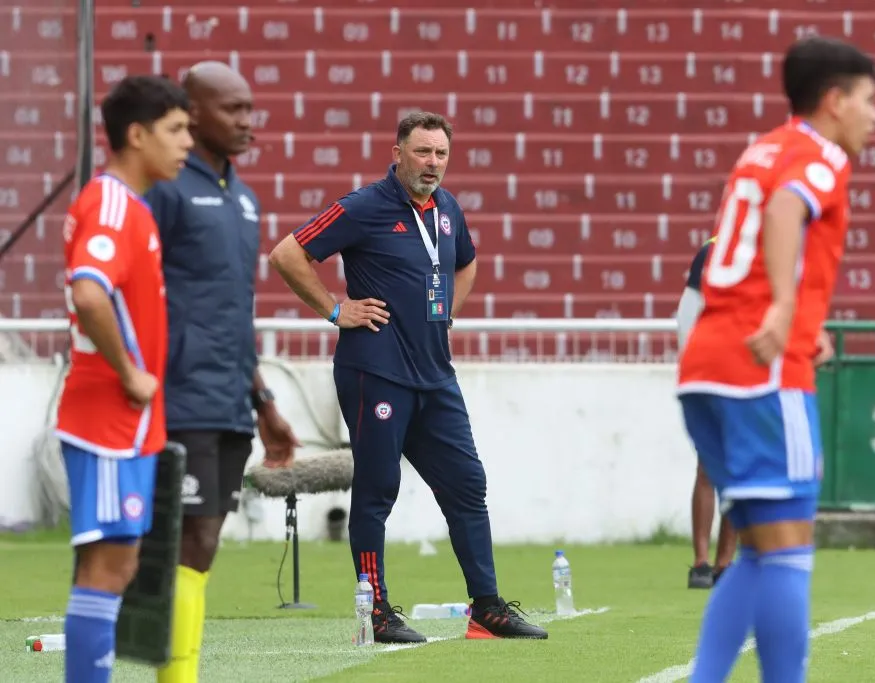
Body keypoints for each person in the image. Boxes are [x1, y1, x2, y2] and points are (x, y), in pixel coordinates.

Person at [268, 111, 548, 642]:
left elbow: (466, 263)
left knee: (468, 485)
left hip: (435, 375)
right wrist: (335, 309)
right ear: (396, 153)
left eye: (441, 154)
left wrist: (447, 314)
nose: (432, 164)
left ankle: (486, 609)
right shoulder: (363, 206)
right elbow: (288, 254)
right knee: (378, 489)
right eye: (422, 152)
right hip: (376, 371)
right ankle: (375, 613)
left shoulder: (447, 210)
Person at [677, 36, 875, 682]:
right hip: (762, 370)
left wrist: (795, 315)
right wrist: (786, 309)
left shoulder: (761, 148)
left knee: (761, 551)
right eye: (870, 102)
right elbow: (790, 205)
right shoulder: (819, 154)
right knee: (790, 550)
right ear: (834, 101)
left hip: (707, 365)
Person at [145, 61, 299, 682]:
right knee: (187, 543)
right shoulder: (166, 190)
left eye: (249, 109)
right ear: (192, 111)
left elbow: (236, 313)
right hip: (179, 397)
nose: (246, 121)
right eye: (231, 109)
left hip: (229, 399)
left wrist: (263, 403)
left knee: (201, 547)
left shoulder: (244, 200)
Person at [56, 75, 192, 683]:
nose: (187, 142)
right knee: (109, 567)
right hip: (110, 420)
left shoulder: (133, 207)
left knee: (114, 565)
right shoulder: (112, 202)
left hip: (125, 424)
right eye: (176, 129)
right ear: (136, 135)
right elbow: (89, 292)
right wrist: (131, 373)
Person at [676, 236, 738, 590]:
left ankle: (725, 562)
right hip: (713, 376)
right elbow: (689, 313)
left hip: (748, 379)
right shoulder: (712, 251)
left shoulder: (768, 248)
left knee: (735, 472)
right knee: (708, 466)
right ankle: (701, 561)